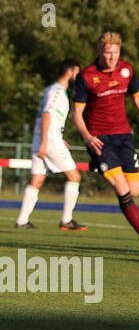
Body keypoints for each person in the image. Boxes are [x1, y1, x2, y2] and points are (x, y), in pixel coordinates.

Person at [70, 31, 139, 247]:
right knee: (122, 189)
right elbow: (76, 113)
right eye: (107, 53)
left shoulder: (127, 70)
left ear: (119, 51)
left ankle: (105, 170)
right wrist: (87, 137)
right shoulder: (86, 77)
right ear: (99, 52)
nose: (111, 58)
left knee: (134, 191)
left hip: (124, 136)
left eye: (115, 53)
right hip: (100, 140)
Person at [16, 59, 86, 231]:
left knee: (37, 180)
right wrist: (47, 142)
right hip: (48, 140)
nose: (78, 77)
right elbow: (47, 115)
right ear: (70, 72)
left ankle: (22, 221)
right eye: (77, 72)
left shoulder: (52, 90)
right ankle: (66, 220)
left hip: (45, 138)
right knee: (75, 177)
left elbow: (49, 118)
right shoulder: (57, 91)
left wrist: (55, 138)